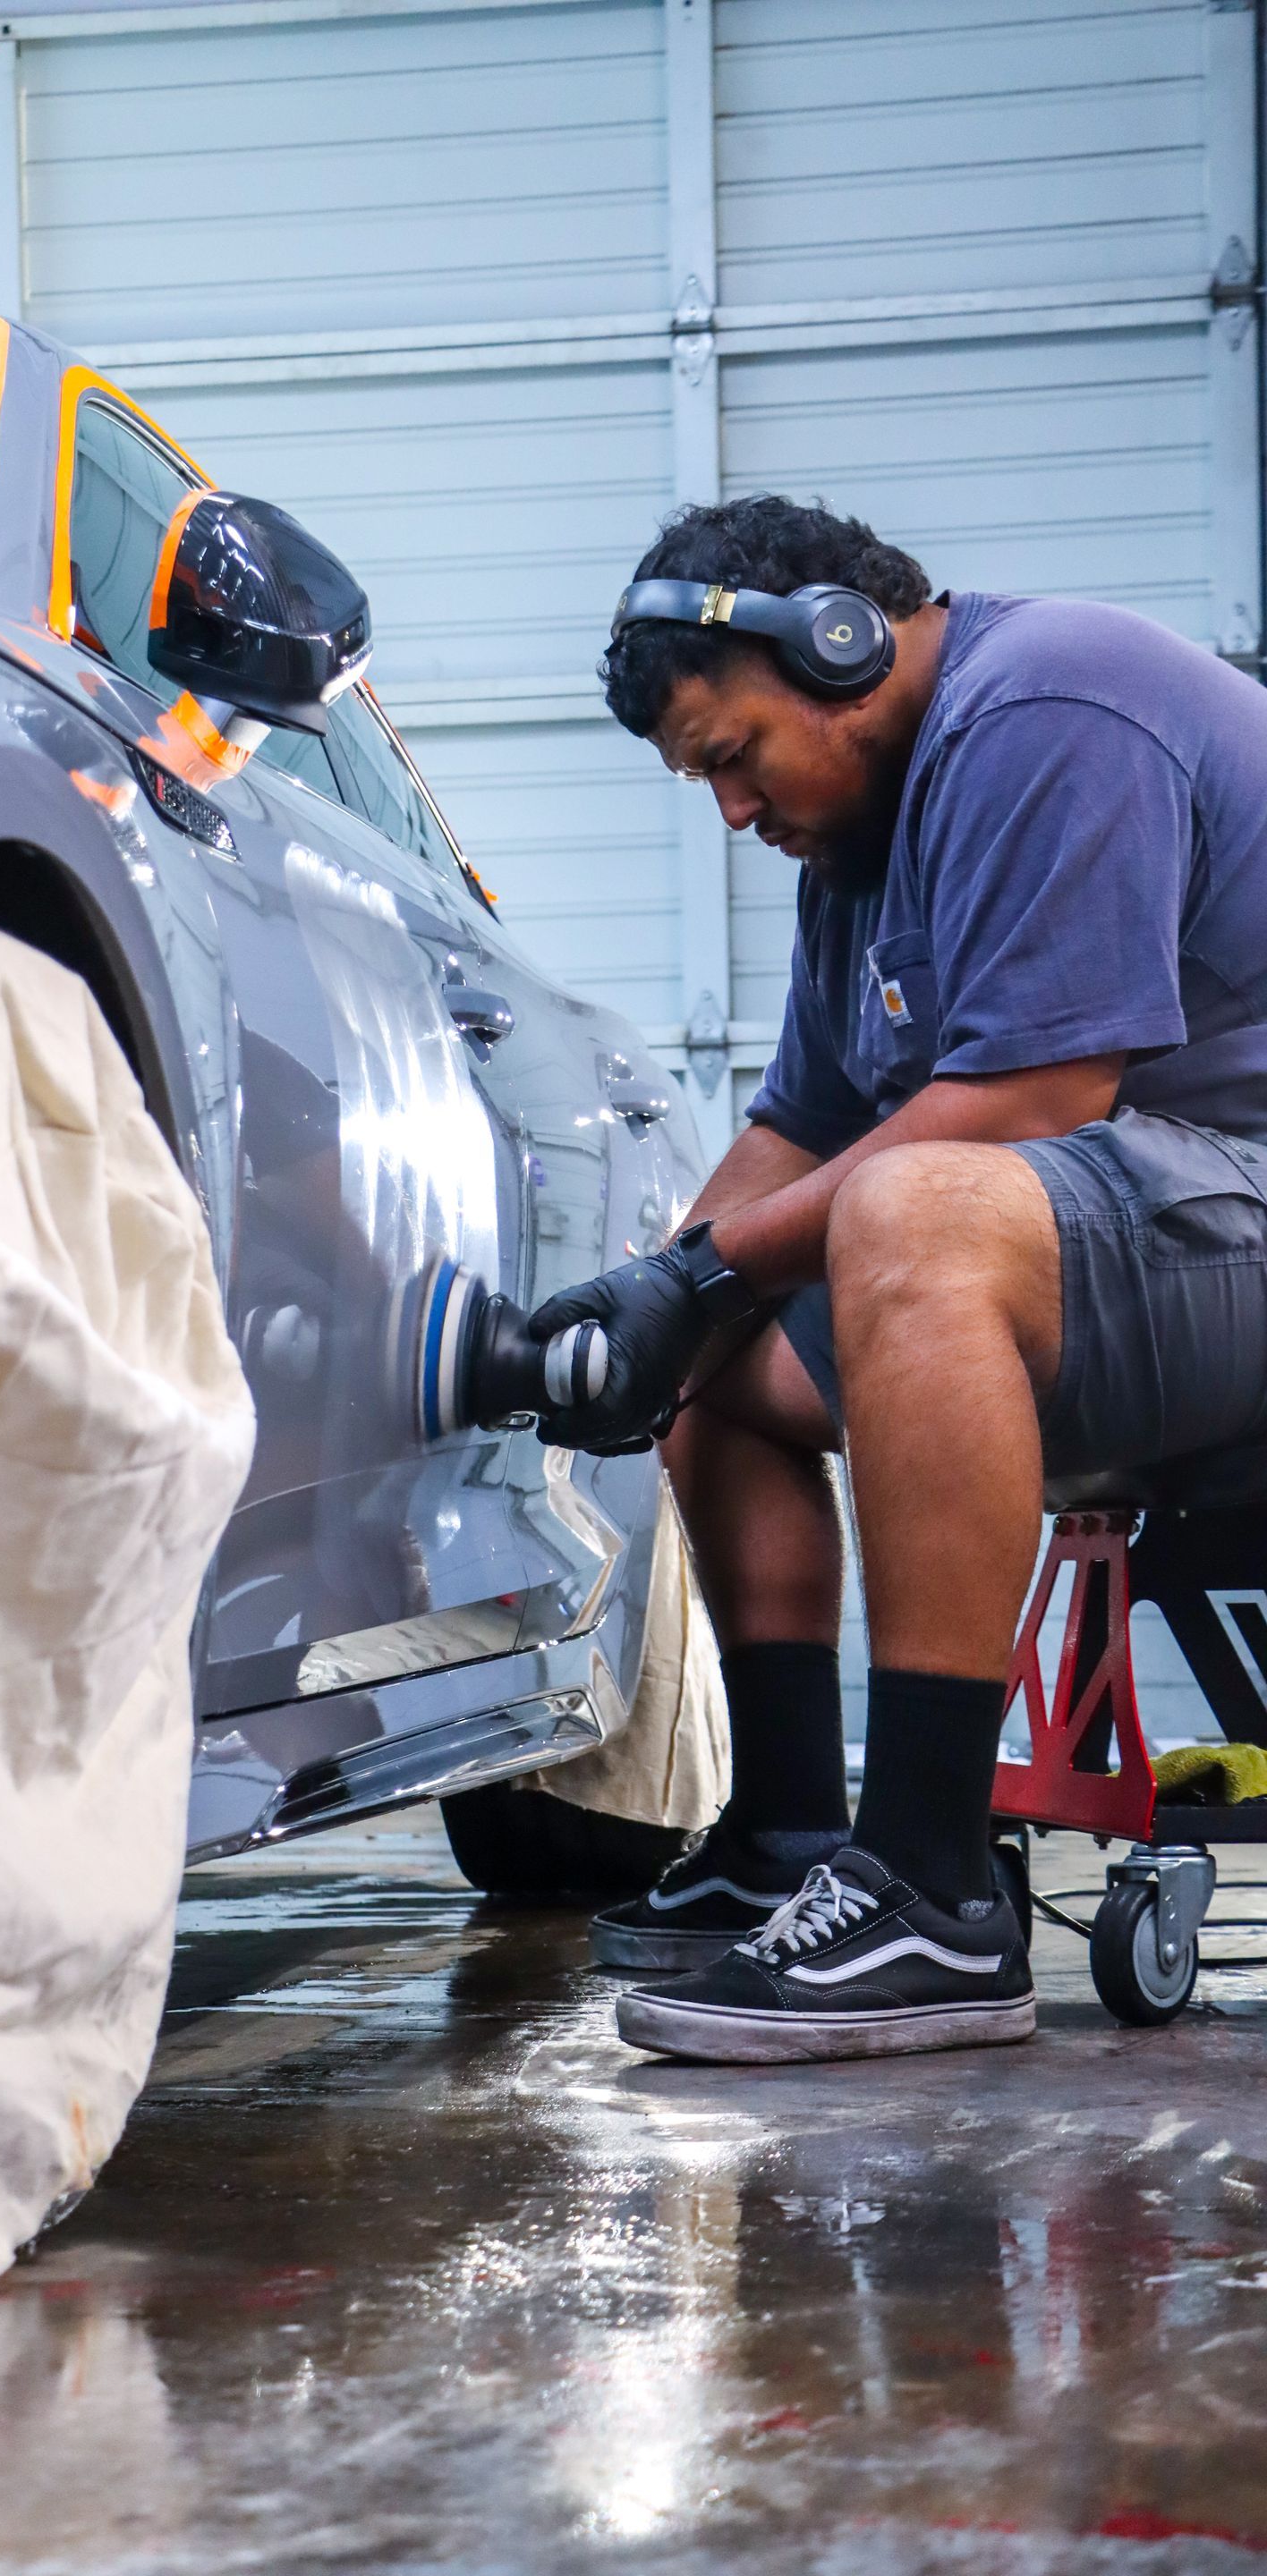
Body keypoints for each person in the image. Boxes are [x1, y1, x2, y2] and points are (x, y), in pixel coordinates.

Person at [532, 495, 1267, 2065]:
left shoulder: (1052, 709)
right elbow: (799, 1128)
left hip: (1242, 1202)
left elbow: (1033, 1099)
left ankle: (935, 1883)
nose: (732, 812)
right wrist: (647, 1300)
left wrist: (714, 1266)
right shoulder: (854, 863)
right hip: (1146, 1236)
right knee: (713, 1353)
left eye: (734, 759)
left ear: (839, 648)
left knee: (914, 1216)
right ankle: (799, 1840)